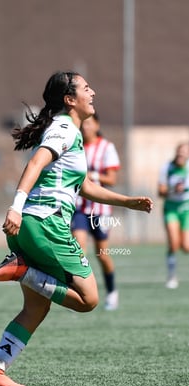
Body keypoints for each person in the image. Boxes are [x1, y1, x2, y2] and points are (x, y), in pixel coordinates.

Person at [0, 70, 153, 386]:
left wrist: (128, 202)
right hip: (45, 223)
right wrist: (15, 205)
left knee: (36, 307)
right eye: (87, 88)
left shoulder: (70, 131)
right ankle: (22, 271)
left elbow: (84, 185)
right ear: (70, 100)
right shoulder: (62, 128)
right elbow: (35, 165)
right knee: (88, 299)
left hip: (29, 225)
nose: (94, 92)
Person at [71, 113, 121, 311]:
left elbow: (112, 179)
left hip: (101, 211)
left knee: (102, 254)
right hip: (80, 209)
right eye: (83, 124)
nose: (86, 127)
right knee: (78, 250)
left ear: (97, 124)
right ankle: (79, 294)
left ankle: (112, 292)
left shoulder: (107, 147)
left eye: (90, 123)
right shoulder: (76, 145)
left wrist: (92, 175)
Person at [158, 142, 189, 289]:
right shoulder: (167, 168)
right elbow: (160, 191)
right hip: (171, 209)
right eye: (180, 152)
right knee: (174, 243)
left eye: (185, 152)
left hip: (186, 209)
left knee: (186, 246)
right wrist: (172, 189)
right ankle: (172, 276)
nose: (182, 155)